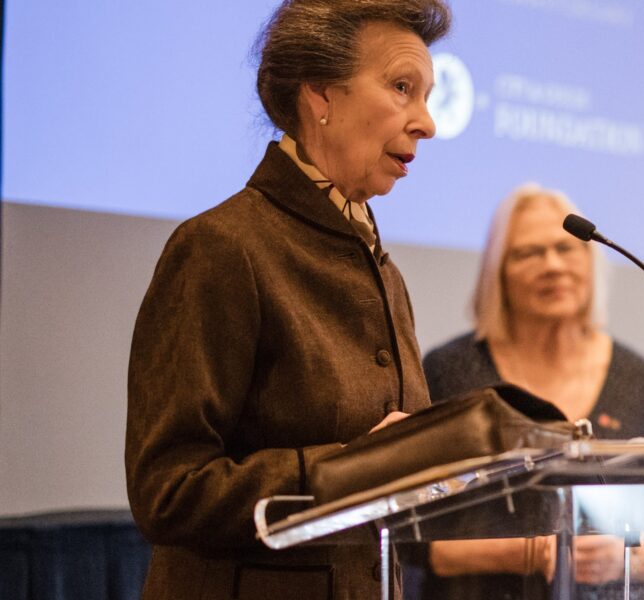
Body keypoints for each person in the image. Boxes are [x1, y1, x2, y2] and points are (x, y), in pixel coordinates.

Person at [124, 1, 451, 598]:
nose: (427, 122)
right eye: (403, 88)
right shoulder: (220, 247)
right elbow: (167, 492)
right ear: (321, 95)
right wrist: (355, 469)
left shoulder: (384, 271)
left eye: (427, 96)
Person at [413, 184, 644, 598]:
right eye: (529, 253)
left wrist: (626, 557)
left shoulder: (642, 381)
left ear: (590, 261)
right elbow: (412, 537)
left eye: (567, 248)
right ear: (498, 272)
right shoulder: (451, 371)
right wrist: (536, 553)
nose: (553, 266)